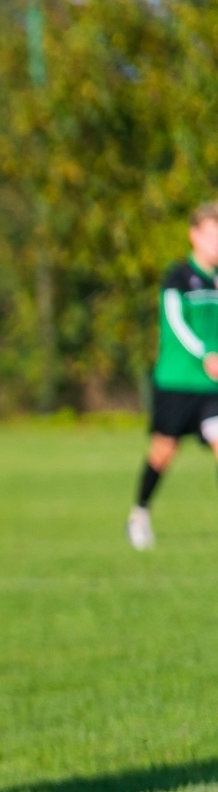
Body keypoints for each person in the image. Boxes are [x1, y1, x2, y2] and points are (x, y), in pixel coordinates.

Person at [126, 203, 218, 551]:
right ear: (194, 235)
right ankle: (139, 513)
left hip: (213, 387)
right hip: (178, 381)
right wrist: (204, 353)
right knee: (164, 450)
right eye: (212, 233)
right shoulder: (178, 277)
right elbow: (176, 321)